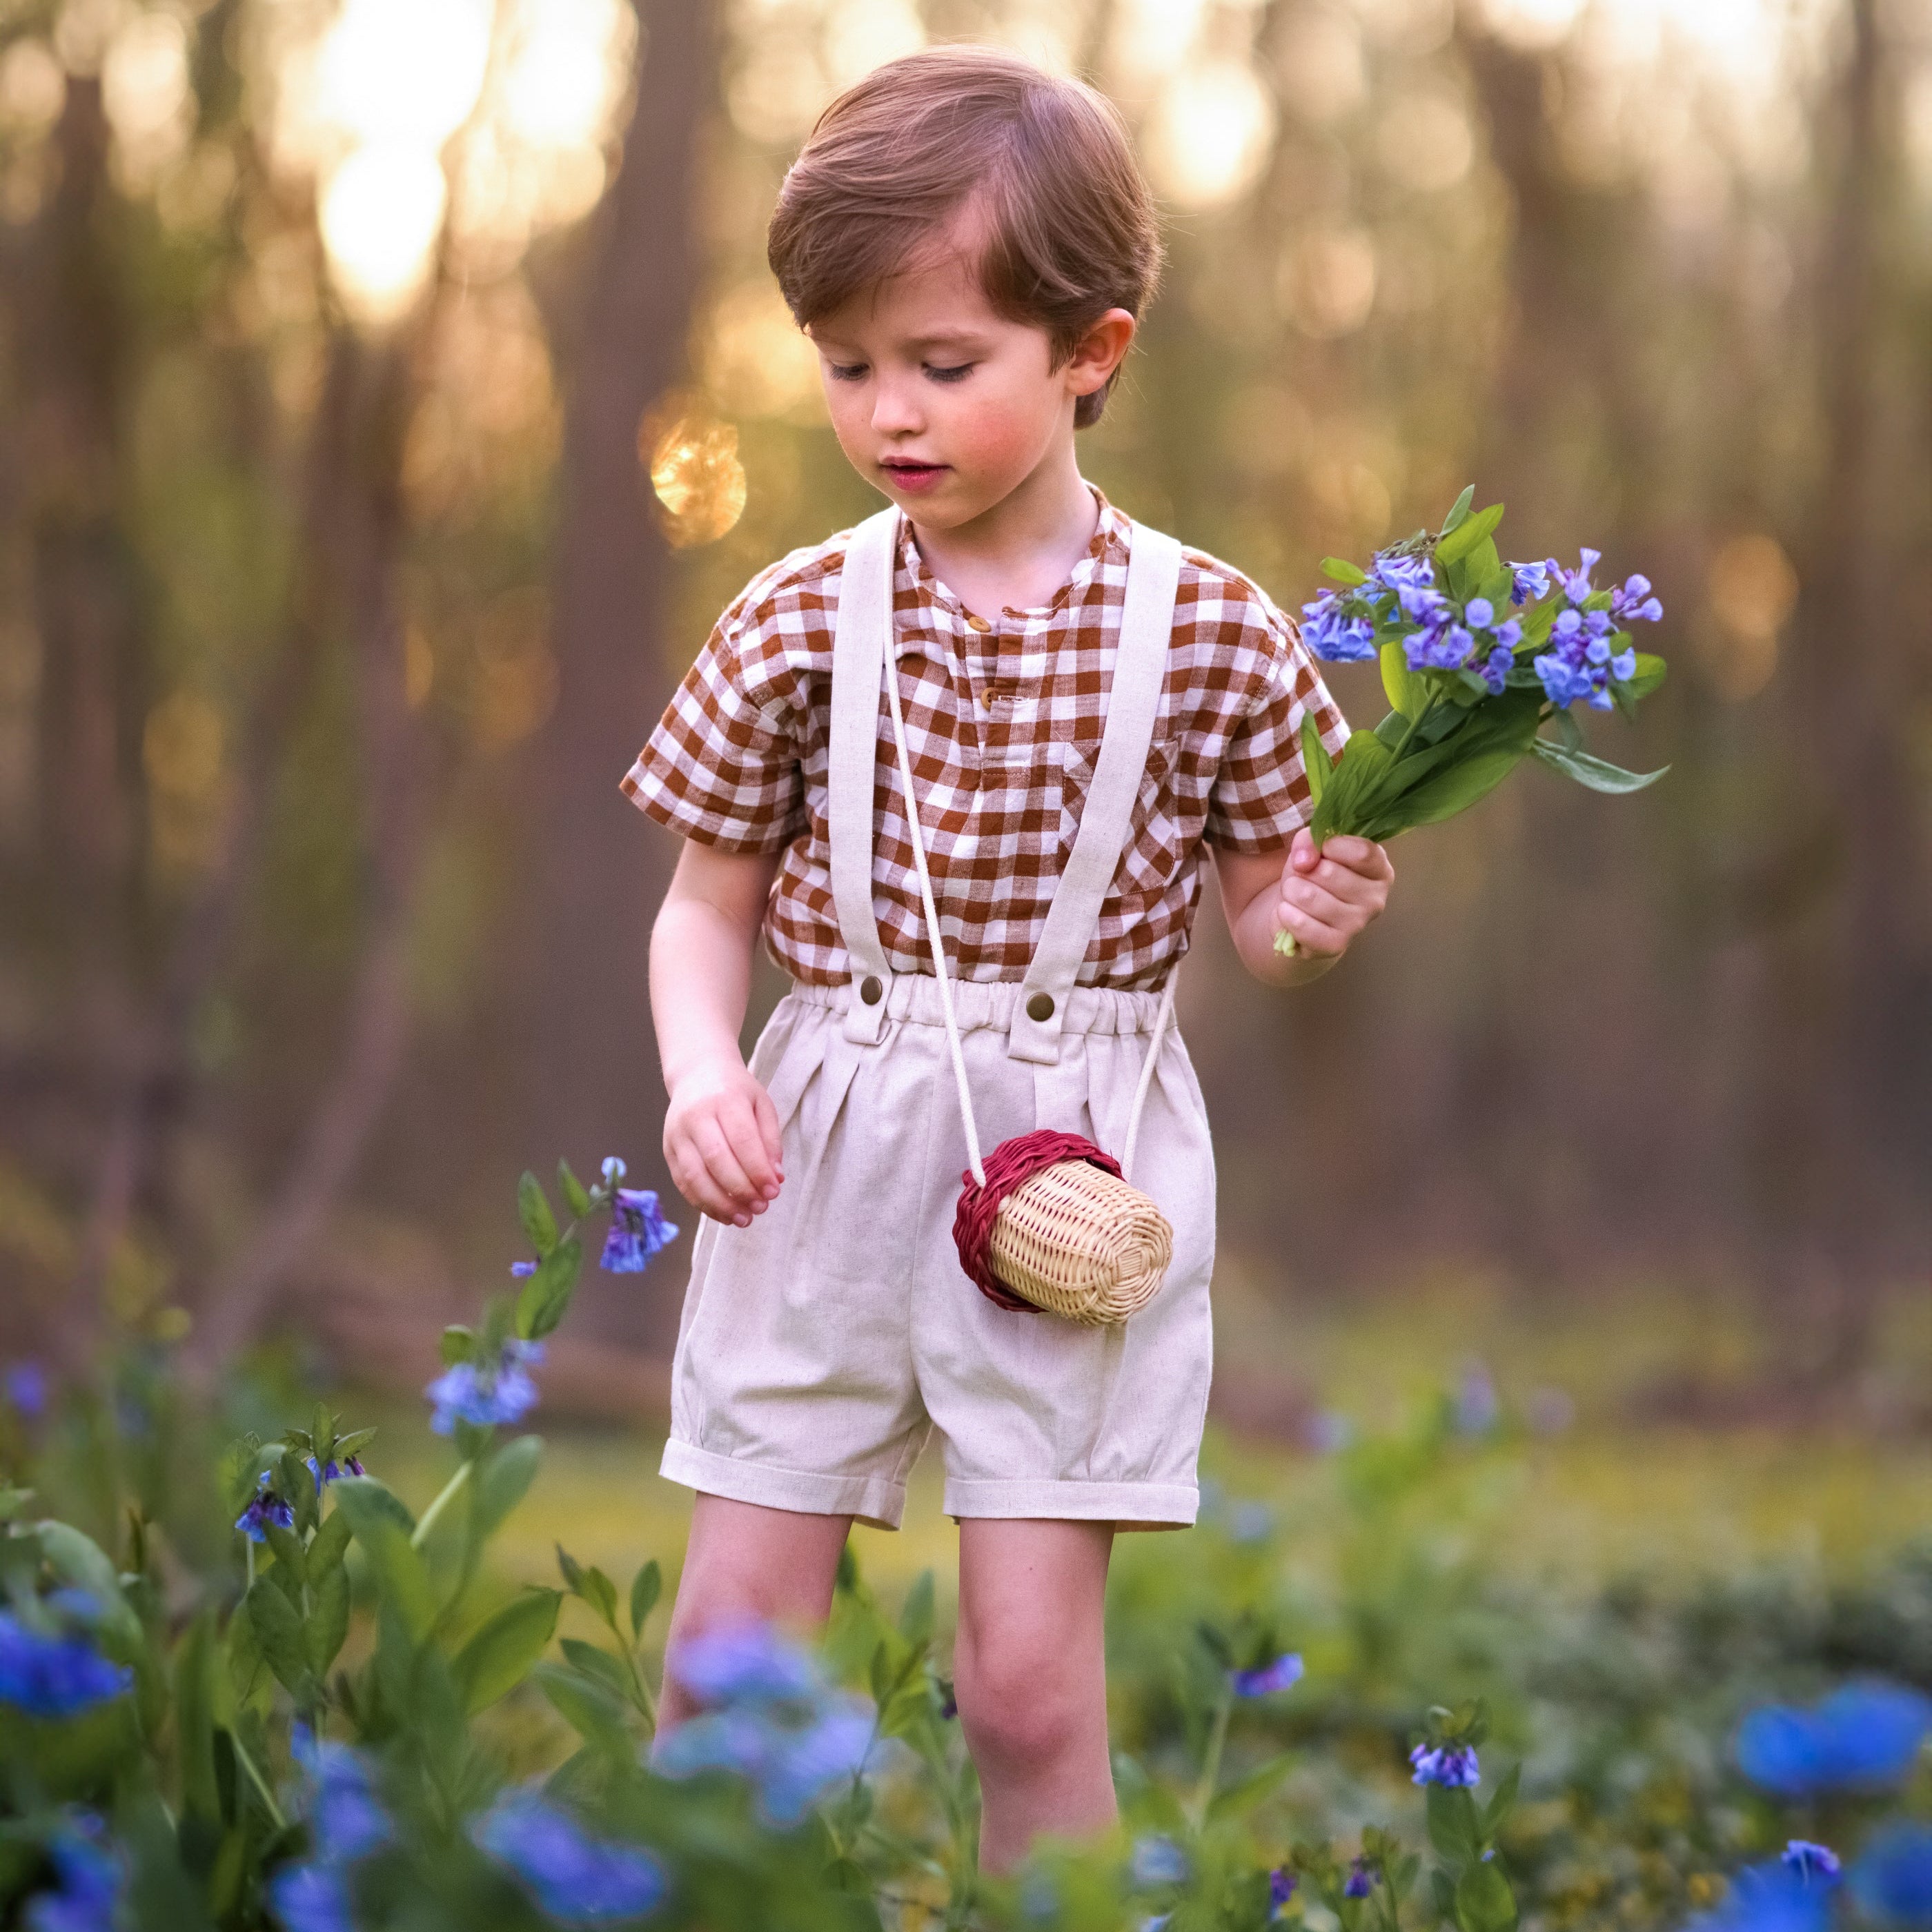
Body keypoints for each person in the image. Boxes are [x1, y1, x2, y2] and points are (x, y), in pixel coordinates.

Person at [621, 45, 1394, 1872]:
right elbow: (702, 905)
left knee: (1031, 1687)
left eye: (943, 365)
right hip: (819, 1145)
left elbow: (1265, 925)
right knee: (736, 1647)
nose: (887, 410)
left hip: (1083, 1157)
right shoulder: (799, 615)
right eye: (847, 364)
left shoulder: (1211, 630)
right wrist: (702, 1071)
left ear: (1090, 354)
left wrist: (1315, 914)